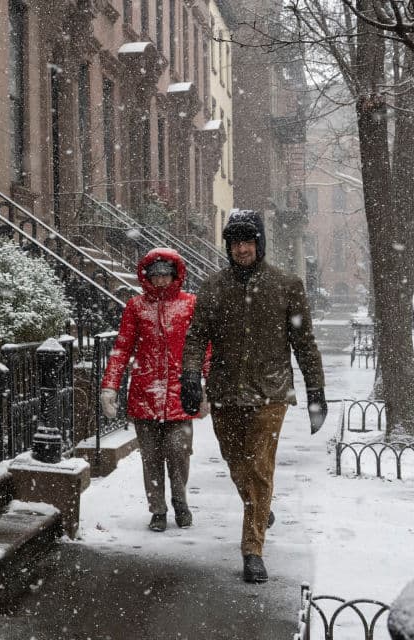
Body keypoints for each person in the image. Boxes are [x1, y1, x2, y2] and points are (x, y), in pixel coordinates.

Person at [180, 210, 326, 584]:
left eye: (248, 242)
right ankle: (260, 507)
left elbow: (304, 342)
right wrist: (190, 376)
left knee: (260, 467)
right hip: (226, 391)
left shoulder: (286, 285)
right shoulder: (213, 287)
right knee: (236, 463)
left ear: (259, 244)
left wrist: (316, 391)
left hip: (270, 392)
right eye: (235, 243)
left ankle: (252, 549)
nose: (241, 249)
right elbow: (197, 336)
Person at [100, 248, 208, 533]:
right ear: (147, 277)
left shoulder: (190, 305)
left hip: (181, 394)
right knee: (151, 457)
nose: (160, 281)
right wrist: (110, 386)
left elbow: (203, 349)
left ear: (174, 276)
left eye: (165, 275)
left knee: (179, 451)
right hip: (145, 393)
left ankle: (180, 500)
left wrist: (206, 386)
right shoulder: (136, 307)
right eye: (155, 275)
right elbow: (122, 348)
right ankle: (158, 509)